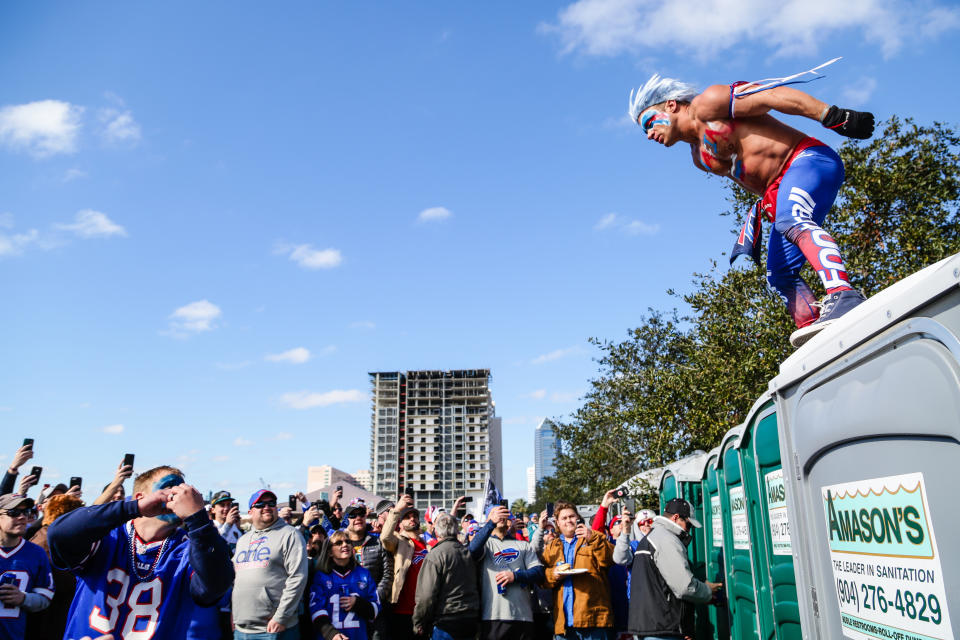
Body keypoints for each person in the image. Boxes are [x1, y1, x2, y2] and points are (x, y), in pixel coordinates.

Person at [628, 65, 875, 346]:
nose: (649, 135)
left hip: (808, 160)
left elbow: (774, 96)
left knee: (791, 219)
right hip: (779, 189)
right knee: (779, 273)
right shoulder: (700, 158)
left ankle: (844, 295)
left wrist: (832, 115)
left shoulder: (709, 103)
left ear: (671, 105)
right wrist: (766, 204)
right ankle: (815, 330)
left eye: (649, 123)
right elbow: (753, 180)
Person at [47, 465, 234, 640]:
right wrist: (133, 508)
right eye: (169, 487)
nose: (177, 495)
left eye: (182, 489)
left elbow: (217, 585)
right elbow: (59, 534)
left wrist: (198, 519)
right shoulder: (108, 538)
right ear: (140, 497)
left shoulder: (187, 549)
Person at [614, 498, 721, 639]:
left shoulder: (653, 537)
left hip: (649, 626)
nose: (689, 531)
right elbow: (684, 586)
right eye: (688, 525)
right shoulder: (666, 539)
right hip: (661, 628)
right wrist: (707, 591)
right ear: (676, 518)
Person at [232, 488, 308, 639]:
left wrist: (281, 617)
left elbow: (297, 578)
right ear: (250, 512)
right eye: (260, 504)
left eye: (271, 503)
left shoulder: (290, 534)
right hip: (242, 628)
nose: (266, 507)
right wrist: (234, 614)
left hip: (274, 629)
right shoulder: (242, 540)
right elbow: (235, 581)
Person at [468, 504, 545, 640]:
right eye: (495, 513)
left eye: (503, 512)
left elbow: (538, 572)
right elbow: (472, 550)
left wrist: (515, 576)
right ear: (488, 519)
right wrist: (491, 523)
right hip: (493, 617)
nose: (500, 516)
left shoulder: (523, 545)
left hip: (523, 616)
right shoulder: (486, 544)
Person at [541, 501, 614, 640]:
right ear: (557, 522)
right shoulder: (552, 547)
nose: (568, 520)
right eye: (564, 518)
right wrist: (553, 574)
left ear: (578, 518)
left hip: (594, 620)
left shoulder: (593, 537)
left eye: (571, 516)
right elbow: (541, 579)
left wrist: (592, 538)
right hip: (563, 625)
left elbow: (610, 559)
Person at [25, 493, 83, 640]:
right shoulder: (48, 542)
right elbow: (62, 584)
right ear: (67, 515)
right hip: (47, 618)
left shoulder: (45, 535)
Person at [413, 512, 480, 640]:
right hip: (470, 617)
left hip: (446, 620)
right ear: (456, 531)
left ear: (436, 533)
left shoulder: (435, 555)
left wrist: (418, 621)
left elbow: (426, 596)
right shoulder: (467, 553)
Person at [309, 529, 381, 640]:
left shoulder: (364, 574)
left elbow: (376, 610)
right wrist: (331, 634)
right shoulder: (321, 576)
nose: (345, 545)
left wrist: (358, 603)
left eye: (348, 542)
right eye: (339, 543)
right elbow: (316, 610)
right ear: (329, 552)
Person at [0, 494, 53, 640]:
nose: (22, 517)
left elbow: (45, 597)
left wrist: (23, 598)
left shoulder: (36, 553)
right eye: (14, 512)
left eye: (26, 512)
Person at [343, 498, 393, 639]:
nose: (358, 518)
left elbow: (388, 575)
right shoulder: (339, 544)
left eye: (361, 514)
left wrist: (374, 600)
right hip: (346, 610)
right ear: (347, 519)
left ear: (366, 516)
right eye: (353, 514)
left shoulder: (378, 542)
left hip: (374, 611)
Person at [380, 494, 428, 640]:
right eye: (407, 517)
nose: (412, 518)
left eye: (414, 516)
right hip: (401, 611)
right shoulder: (398, 540)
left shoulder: (426, 544)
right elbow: (385, 537)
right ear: (400, 523)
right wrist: (397, 510)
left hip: (422, 611)